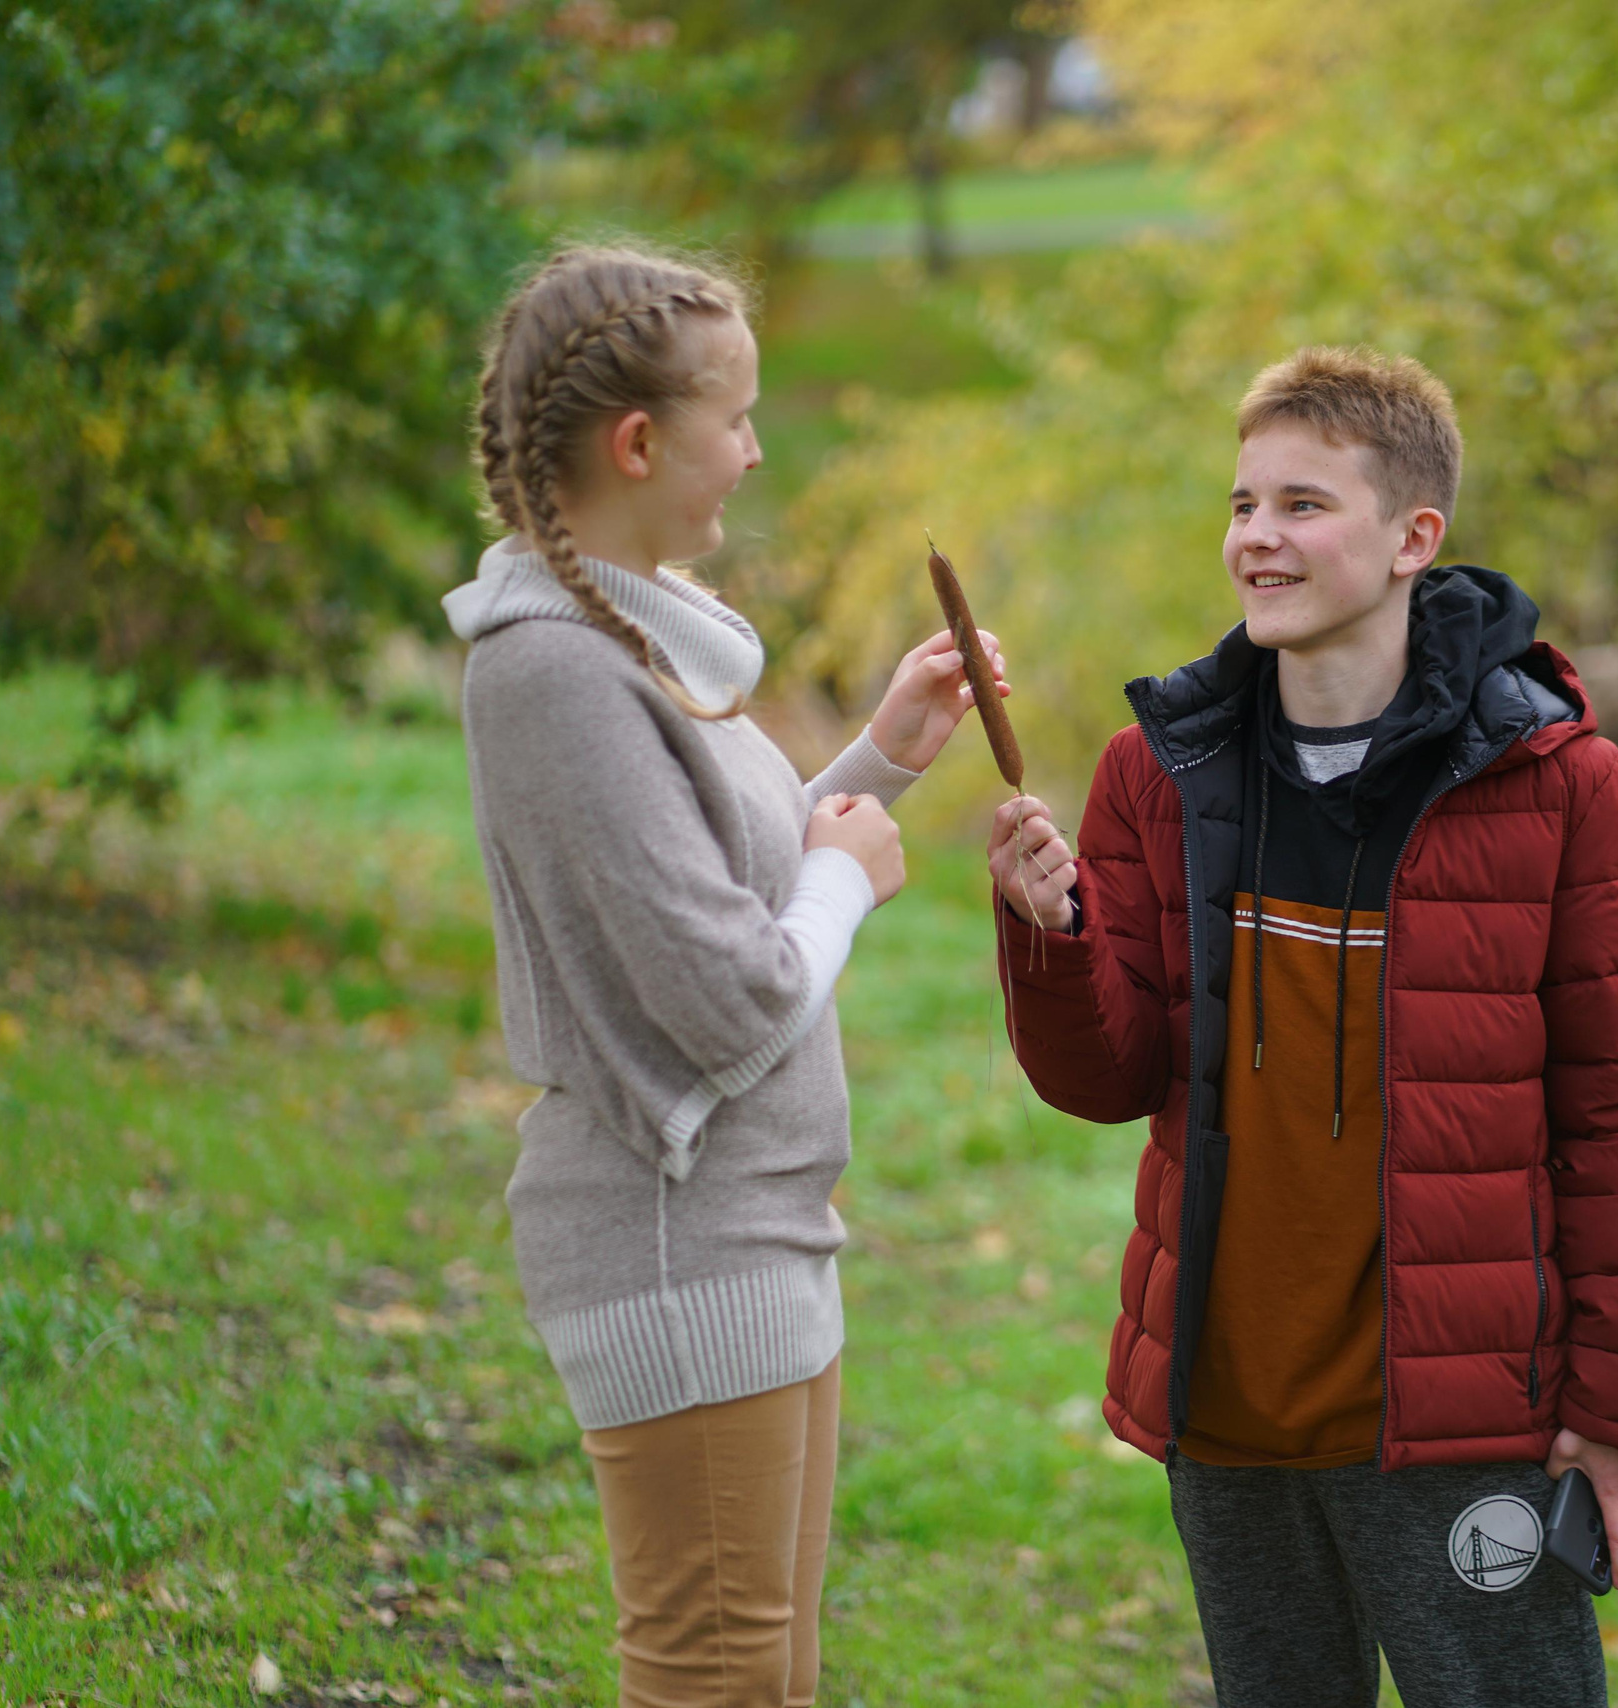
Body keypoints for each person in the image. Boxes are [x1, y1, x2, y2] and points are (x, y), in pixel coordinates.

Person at [986, 347, 1618, 1707]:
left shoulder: (1559, 786)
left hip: (1463, 1415)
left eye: (1303, 505)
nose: (1257, 536)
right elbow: (1112, 1075)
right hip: (1229, 1405)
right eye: (1243, 503)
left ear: (1411, 540)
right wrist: (1051, 934)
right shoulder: (1157, 771)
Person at [446, 245, 1005, 1708]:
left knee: (771, 1675)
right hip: (673, 1245)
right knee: (717, 1680)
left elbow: (708, 888)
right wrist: (850, 878)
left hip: (752, 1231)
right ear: (639, 444)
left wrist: (881, 759)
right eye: (738, 419)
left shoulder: (621, 640)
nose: (755, 452)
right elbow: (732, 989)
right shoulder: (554, 671)